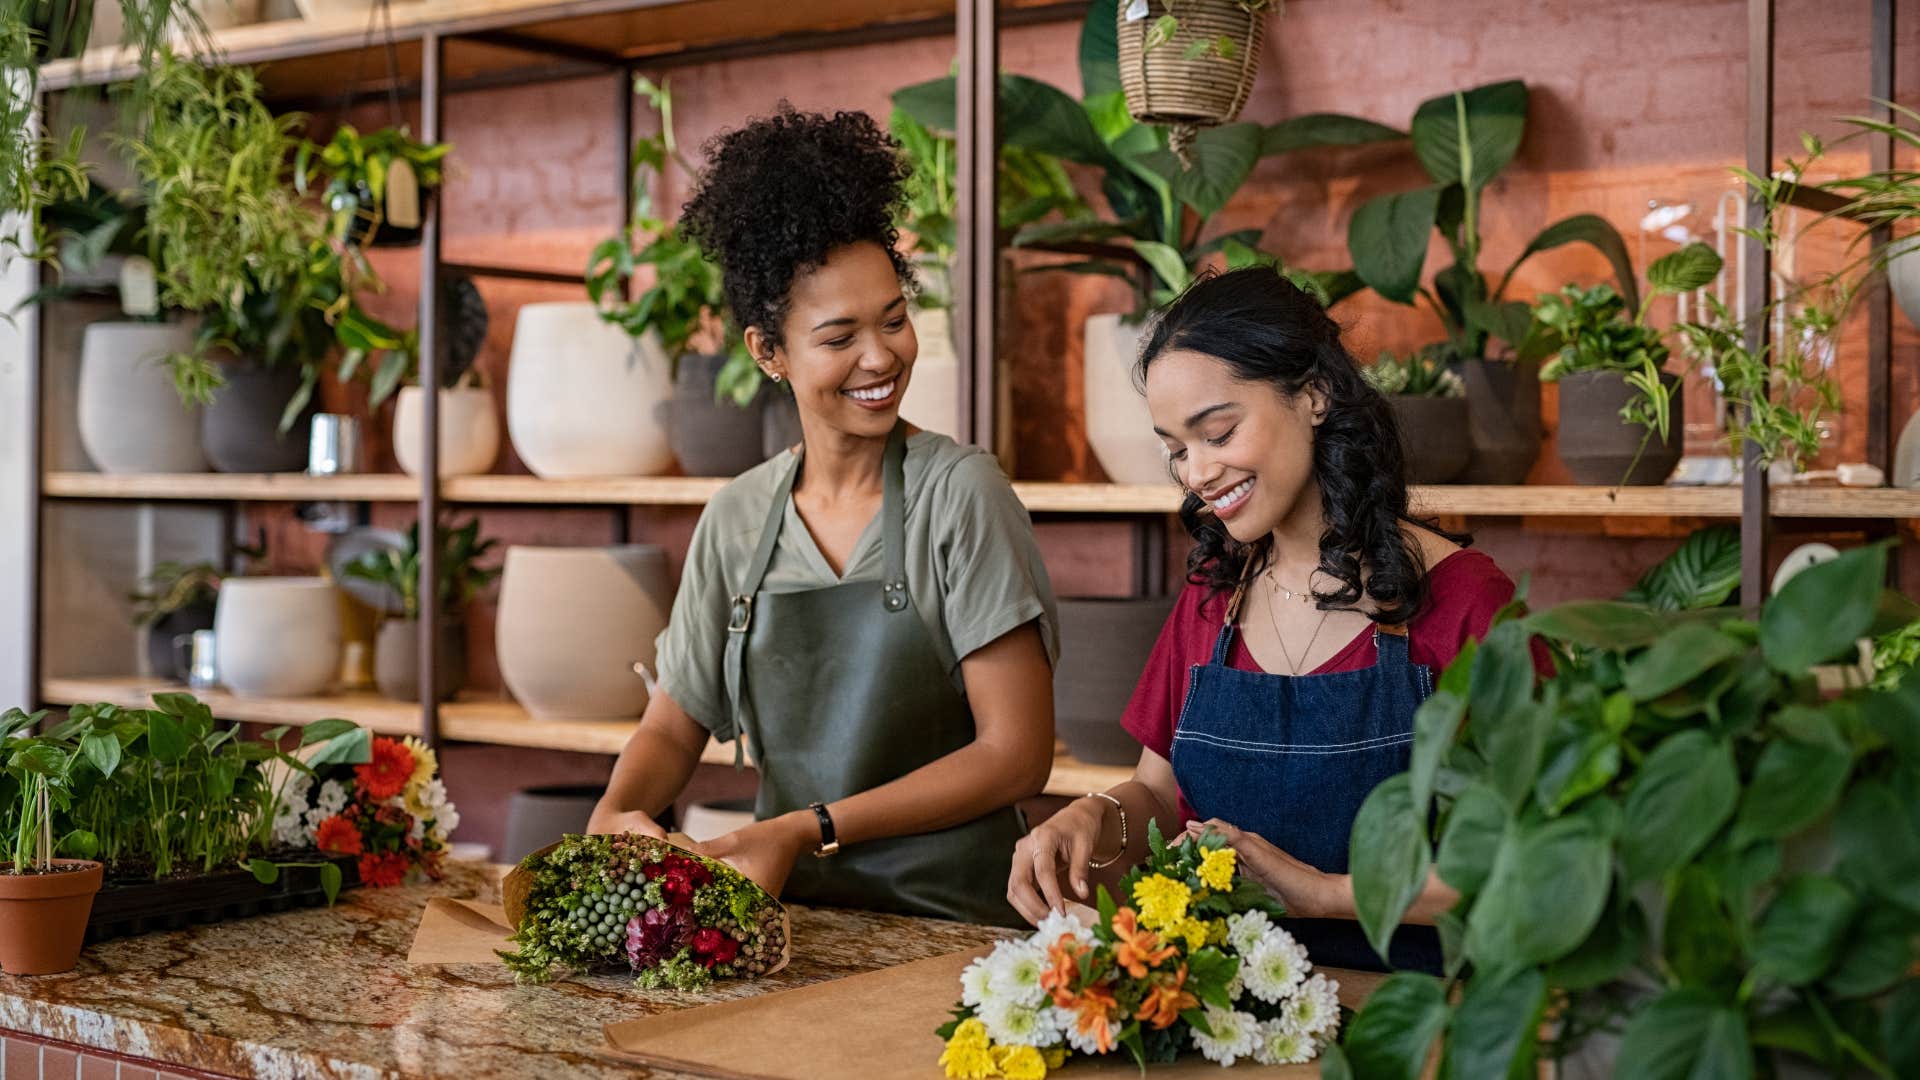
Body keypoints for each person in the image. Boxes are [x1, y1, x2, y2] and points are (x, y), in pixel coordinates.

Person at [588, 106, 1059, 928]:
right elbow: (672, 728)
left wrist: (805, 830)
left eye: (894, 319)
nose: (880, 357)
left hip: (954, 927)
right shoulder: (736, 519)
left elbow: (1015, 755)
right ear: (768, 353)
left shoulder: (962, 494)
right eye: (839, 336)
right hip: (795, 925)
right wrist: (615, 816)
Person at [1006, 268, 1525, 972]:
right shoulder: (1214, 599)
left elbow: (1530, 861)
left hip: (1407, 1014)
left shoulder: (1466, 603)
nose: (1197, 472)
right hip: (1220, 1009)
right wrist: (1097, 817)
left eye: (1218, 431)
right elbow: (1160, 792)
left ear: (1314, 395)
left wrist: (1325, 893)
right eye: (1178, 449)